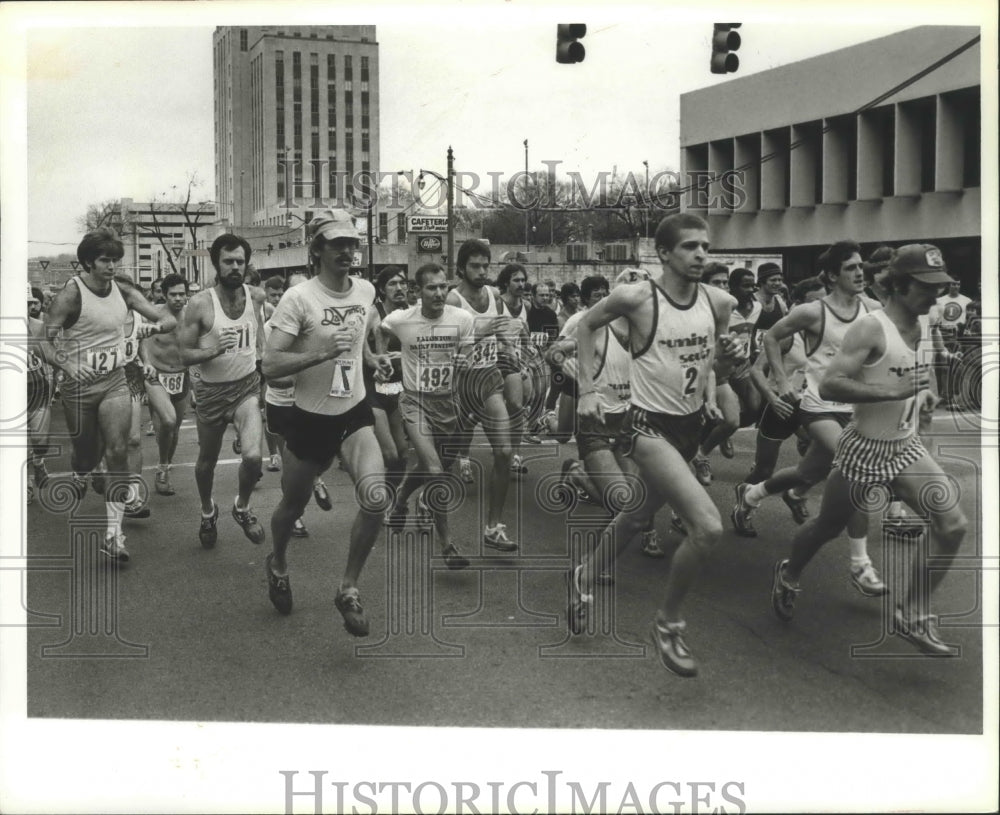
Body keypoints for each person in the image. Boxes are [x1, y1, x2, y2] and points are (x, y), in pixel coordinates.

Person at [771, 244, 967, 656]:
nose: (936, 296)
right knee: (827, 527)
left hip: (905, 446)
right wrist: (889, 391)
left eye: (939, 286)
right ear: (898, 284)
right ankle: (789, 573)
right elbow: (831, 385)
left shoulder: (926, 318)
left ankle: (911, 615)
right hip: (864, 448)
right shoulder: (871, 328)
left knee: (952, 524)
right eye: (926, 287)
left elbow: (922, 369)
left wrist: (927, 393)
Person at [571, 213, 743, 677]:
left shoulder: (720, 302)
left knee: (637, 516)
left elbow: (715, 369)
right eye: (690, 247)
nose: (701, 255)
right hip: (646, 427)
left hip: (688, 429)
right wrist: (587, 389)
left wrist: (724, 370)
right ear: (664, 253)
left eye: (706, 247)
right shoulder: (637, 297)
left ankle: (584, 575)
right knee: (706, 527)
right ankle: (668, 624)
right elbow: (587, 326)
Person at [732, 241, 886, 596]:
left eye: (861, 266)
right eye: (851, 267)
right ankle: (861, 565)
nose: (860, 272)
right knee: (855, 465)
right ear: (832, 275)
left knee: (807, 473)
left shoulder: (874, 309)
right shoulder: (813, 312)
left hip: (856, 410)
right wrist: (783, 383)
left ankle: (751, 494)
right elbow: (771, 338)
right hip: (818, 405)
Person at [261, 209, 388, 635]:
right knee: (291, 507)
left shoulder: (366, 290)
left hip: (353, 411)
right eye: (338, 244)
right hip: (308, 419)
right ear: (316, 250)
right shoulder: (298, 299)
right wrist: (320, 353)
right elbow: (270, 364)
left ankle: (348, 588)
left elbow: (362, 330)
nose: (348, 251)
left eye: (352, 243)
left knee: (375, 499)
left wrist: (371, 357)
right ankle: (277, 561)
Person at [40, 228, 176, 561]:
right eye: (104, 260)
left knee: (118, 451)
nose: (111, 266)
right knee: (86, 455)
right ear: (87, 262)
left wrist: (164, 321)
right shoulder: (71, 295)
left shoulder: (125, 291)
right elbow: (43, 340)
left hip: (115, 380)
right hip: (78, 386)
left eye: (115, 260)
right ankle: (82, 470)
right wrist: (68, 364)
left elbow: (163, 317)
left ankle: (114, 535)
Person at [546, 267, 664, 563]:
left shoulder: (651, 331)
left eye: (644, 286)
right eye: (630, 286)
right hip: (596, 427)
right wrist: (564, 363)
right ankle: (592, 559)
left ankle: (578, 476)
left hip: (631, 427)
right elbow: (554, 351)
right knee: (622, 500)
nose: (638, 293)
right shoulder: (598, 328)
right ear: (619, 294)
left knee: (635, 501)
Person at [381, 263, 478, 568]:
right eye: (431, 288)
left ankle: (399, 498)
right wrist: (380, 356)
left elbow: (469, 359)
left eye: (443, 286)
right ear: (417, 292)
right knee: (435, 472)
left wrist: (466, 365)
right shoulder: (401, 319)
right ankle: (447, 545)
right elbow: (377, 328)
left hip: (448, 404)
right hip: (414, 401)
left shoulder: (462, 319)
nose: (439, 293)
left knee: (427, 469)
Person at [178, 233, 268, 548]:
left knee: (254, 457)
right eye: (228, 261)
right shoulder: (200, 303)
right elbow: (184, 354)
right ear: (216, 263)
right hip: (211, 393)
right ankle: (207, 511)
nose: (234, 267)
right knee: (207, 462)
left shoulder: (257, 297)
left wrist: (266, 367)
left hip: (246, 388)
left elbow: (260, 340)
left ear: (247, 264)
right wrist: (212, 350)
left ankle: (242, 507)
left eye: (240, 261)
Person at [737, 276, 827, 532]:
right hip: (781, 405)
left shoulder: (827, 334)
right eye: (814, 303)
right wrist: (773, 399)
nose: (821, 309)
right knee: (764, 469)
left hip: (810, 406)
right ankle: (745, 500)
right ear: (797, 305)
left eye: (824, 302)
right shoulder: (788, 335)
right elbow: (756, 370)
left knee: (825, 459)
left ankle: (796, 494)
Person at [445, 239, 518, 552]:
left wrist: (509, 349)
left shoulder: (494, 295)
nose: (482, 271)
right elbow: (446, 341)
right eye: (475, 266)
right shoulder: (452, 298)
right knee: (443, 459)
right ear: (461, 268)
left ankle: (493, 527)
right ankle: (419, 499)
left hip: (488, 377)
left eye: (486, 266)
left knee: (502, 452)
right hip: (459, 382)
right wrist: (484, 332)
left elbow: (501, 331)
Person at [692, 266, 758, 483]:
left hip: (720, 376)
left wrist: (738, 353)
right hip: (692, 380)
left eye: (724, 283)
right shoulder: (693, 312)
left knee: (732, 421)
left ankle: (702, 453)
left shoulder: (727, 309)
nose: (722, 287)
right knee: (685, 434)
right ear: (704, 286)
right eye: (716, 283)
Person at [140, 273, 191, 497]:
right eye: (173, 294)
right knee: (166, 421)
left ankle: (166, 465)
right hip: (156, 376)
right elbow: (141, 340)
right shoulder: (154, 314)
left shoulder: (192, 316)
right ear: (164, 294)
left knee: (174, 427)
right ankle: (162, 467)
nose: (178, 299)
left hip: (181, 375)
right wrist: (146, 363)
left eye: (182, 294)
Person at [364, 266, 410, 496]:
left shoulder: (411, 314)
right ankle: (378, 496)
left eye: (402, 282)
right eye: (392, 283)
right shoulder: (373, 312)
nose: (399, 287)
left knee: (402, 454)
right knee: (390, 453)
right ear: (382, 289)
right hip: (371, 389)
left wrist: (403, 356)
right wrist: (372, 358)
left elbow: (422, 348)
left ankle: (390, 499)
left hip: (397, 389)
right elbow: (358, 344)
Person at [495, 263, 533, 473]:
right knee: (474, 414)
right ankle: (464, 457)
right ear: (506, 283)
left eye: (522, 280)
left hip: (516, 364)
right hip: (494, 361)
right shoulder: (498, 304)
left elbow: (525, 337)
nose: (521, 284)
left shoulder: (526, 306)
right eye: (516, 280)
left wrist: (526, 361)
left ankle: (515, 454)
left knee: (517, 408)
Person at [26, 286, 55, 504]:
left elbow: (52, 356)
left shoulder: (38, 327)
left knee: (40, 440)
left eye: (27, 304)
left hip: (36, 386)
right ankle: (25, 483)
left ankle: (39, 462)